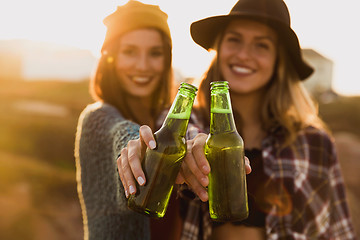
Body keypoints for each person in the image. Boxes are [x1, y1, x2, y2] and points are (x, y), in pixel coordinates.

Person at [118, 0, 357, 239]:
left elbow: (338, 231)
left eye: (261, 45)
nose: (244, 55)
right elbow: (178, 146)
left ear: (278, 61)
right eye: (234, 39)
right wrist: (163, 157)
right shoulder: (180, 125)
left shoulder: (315, 143)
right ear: (219, 47)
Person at [74, 1, 180, 239]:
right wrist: (139, 145)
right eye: (129, 52)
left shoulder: (171, 121)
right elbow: (121, 135)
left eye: (155, 53)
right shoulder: (97, 119)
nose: (142, 66)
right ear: (110, 57)